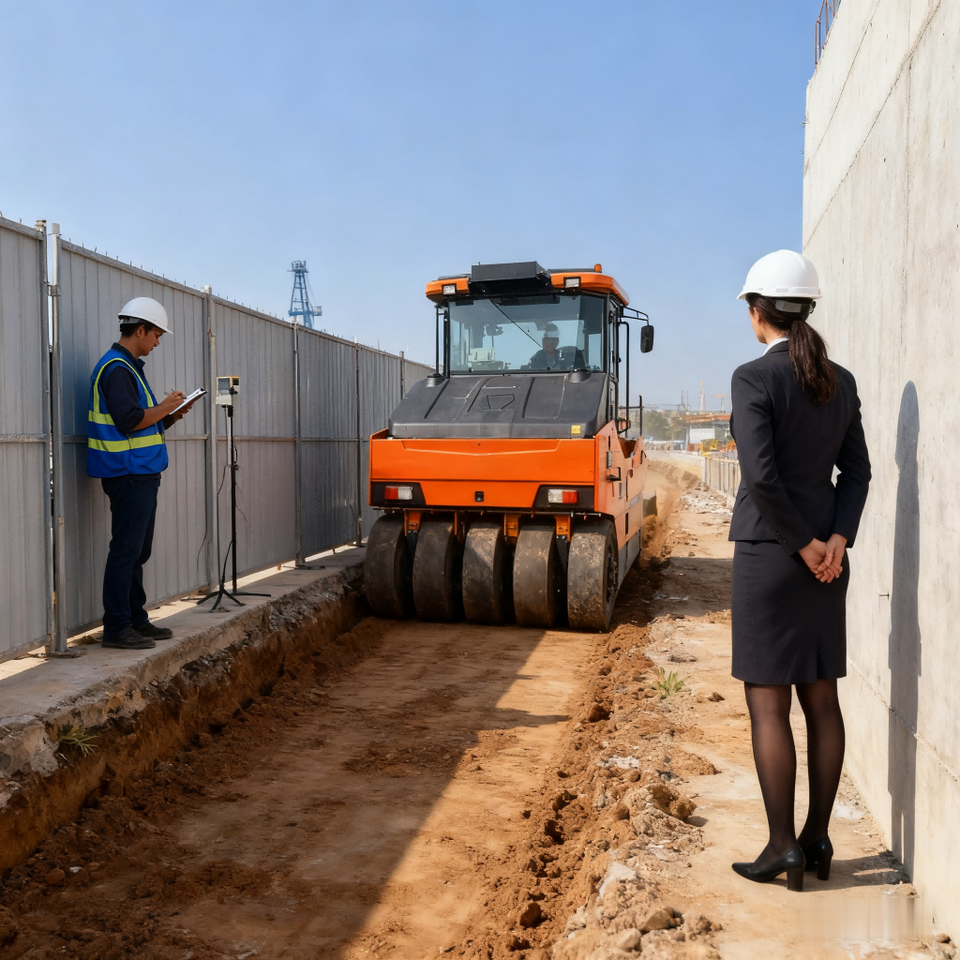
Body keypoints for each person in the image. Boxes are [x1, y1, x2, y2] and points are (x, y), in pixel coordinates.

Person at [727, 250, 871, 891]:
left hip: (772, 555)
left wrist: (804, 544)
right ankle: (817, 838)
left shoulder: (752, 378)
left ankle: (782, 846)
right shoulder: (841, 380)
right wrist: (835, 539)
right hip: (826, 564)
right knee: (821, 698)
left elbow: (761, 478)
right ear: (806, 309)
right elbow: (857, 471)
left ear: (758, 311)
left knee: (768, 703)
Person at [87, 297, 197, 650]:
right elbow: (129, 420)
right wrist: (163, 407)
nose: (157, 342)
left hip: (139, 471)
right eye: (156, 335)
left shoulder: (128, 367)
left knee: (137, 552)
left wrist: (170, 414)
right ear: (141, 330)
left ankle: (135, 619)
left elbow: (141, 422)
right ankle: (117, 628)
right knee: (126, 551)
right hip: (129, 473)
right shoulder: (118, 368)